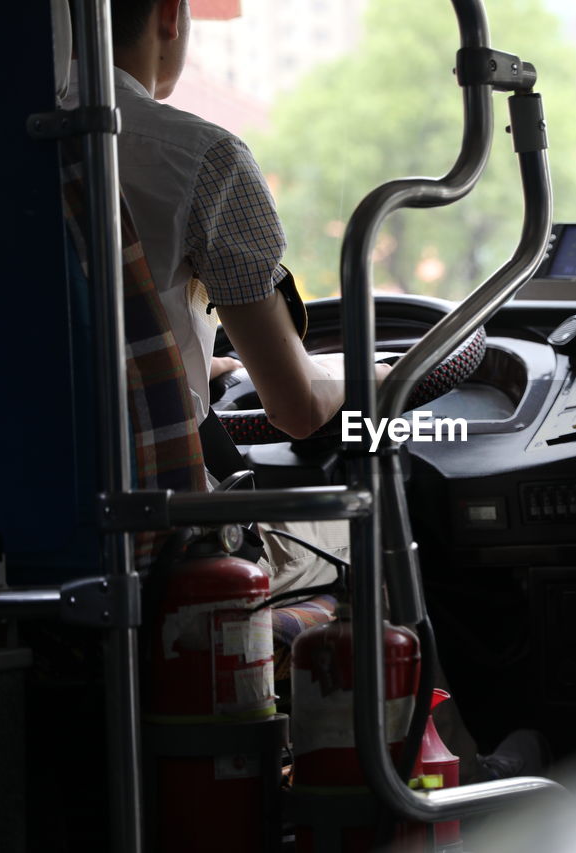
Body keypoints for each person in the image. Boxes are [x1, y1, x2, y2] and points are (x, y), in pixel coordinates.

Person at [97, 0, 546, 783]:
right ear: (169, 15)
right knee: (370, 525)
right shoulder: (196, 158)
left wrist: (208, 373)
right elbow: (298, 406)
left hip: (14, 546)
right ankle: (441, 771)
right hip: (156, 540)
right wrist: (381, 375)